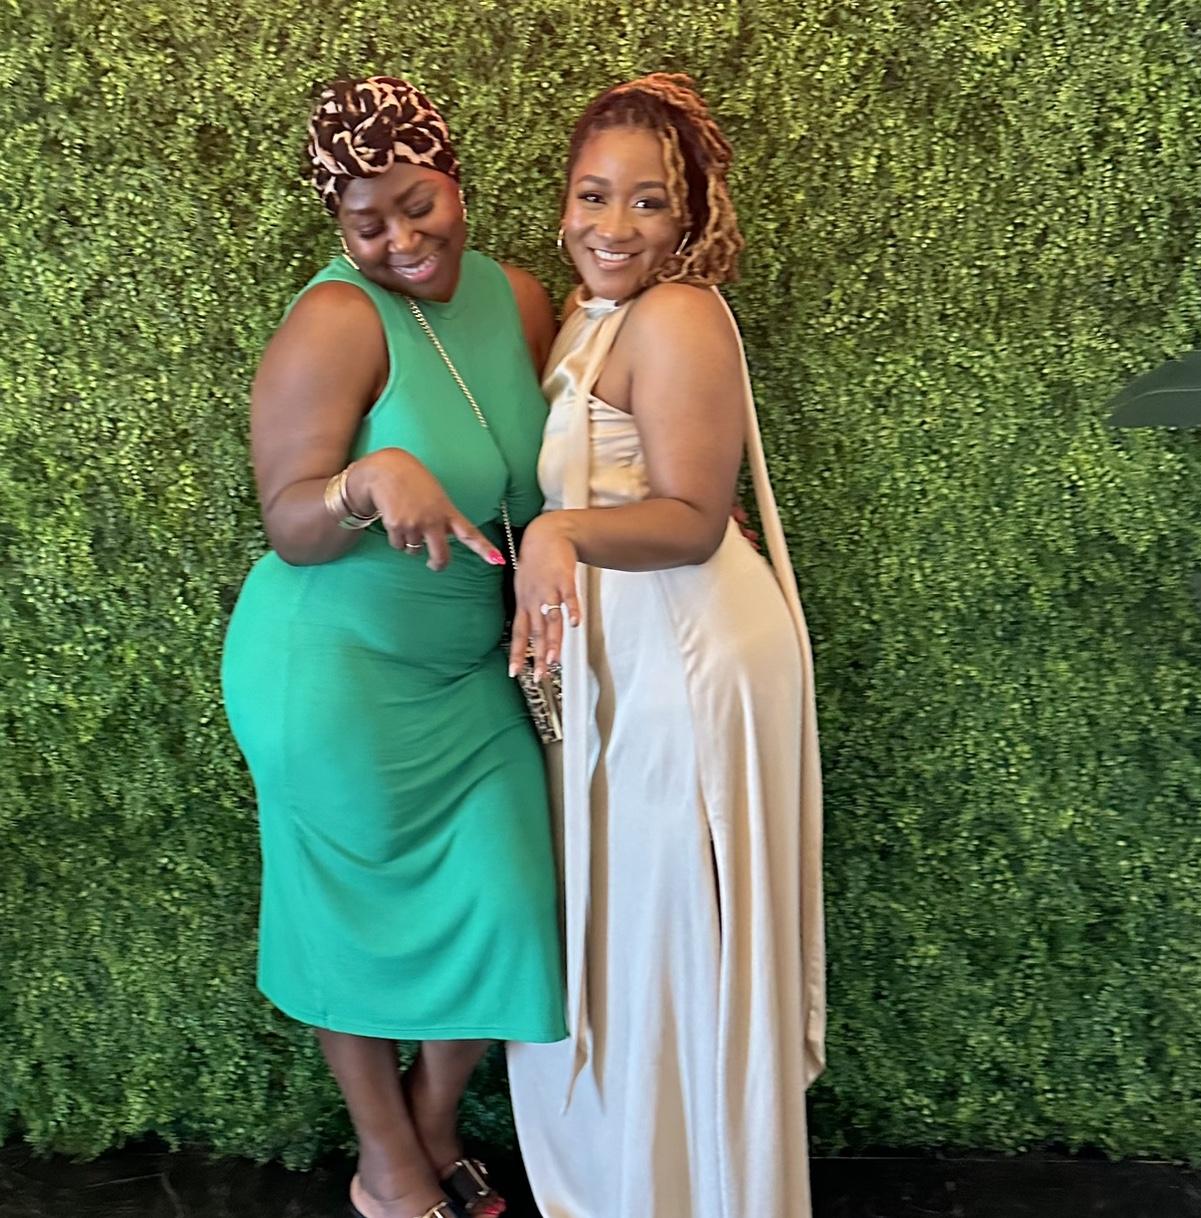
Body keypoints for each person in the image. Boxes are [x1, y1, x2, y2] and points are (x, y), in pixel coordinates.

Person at [220, 76, 565, 1218]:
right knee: (349, 923)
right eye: (367, 223)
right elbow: (289, 520)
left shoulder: (519, 300)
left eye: (419, 205)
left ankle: (428, 1123)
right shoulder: (336, 319)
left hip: (467, 675)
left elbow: (559, 457)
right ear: (339, 225)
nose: (402, 240)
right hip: (335, 671)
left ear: (454, 179)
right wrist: (366, 481)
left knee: (511, 898)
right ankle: (390, 1165)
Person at [505, 73, 826, 1218]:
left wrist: (559, 534)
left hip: (690, 664)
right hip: (631, 659)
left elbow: (691, 519)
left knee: (673, 929)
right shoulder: (586, 316)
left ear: (686, 218)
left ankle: (698, 1189)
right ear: (564, 201)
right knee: (636, 930)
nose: (615, 225)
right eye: (594, 195)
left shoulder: (678, 314)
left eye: (648, 203)